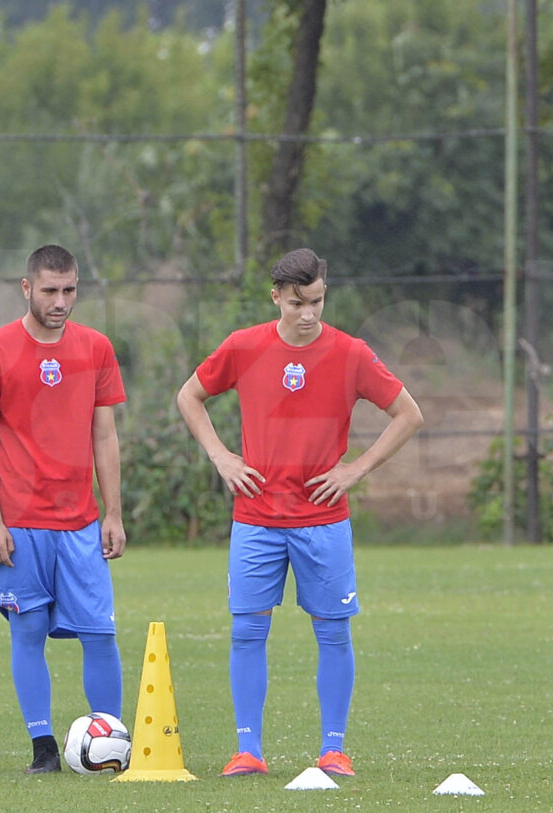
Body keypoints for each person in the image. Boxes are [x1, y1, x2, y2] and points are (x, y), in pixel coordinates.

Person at [176, 247, 423, 777]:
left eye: (317, 301)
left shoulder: (351, 353)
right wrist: (222, 457)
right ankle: (249, 751)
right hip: (256, 518)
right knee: (247, 632)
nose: (308, 314)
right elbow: (190, 396)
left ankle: (334, 749)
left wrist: (355, 470)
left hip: (323, 520)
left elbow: (409, 414)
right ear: (276, 298)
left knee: (333, 632)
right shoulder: (243, 347)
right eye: (297, 303)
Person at [0, 244, 126, 774]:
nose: (61, 301)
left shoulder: (97, 348)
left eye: (70, 290)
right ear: (27, 288)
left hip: (80, 521)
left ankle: (109, 741)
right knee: (27, 631)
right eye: (51, 291)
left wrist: (113, 512)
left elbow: (105, 435)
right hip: (20, 523)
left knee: (100, 632)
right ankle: (44, 749)